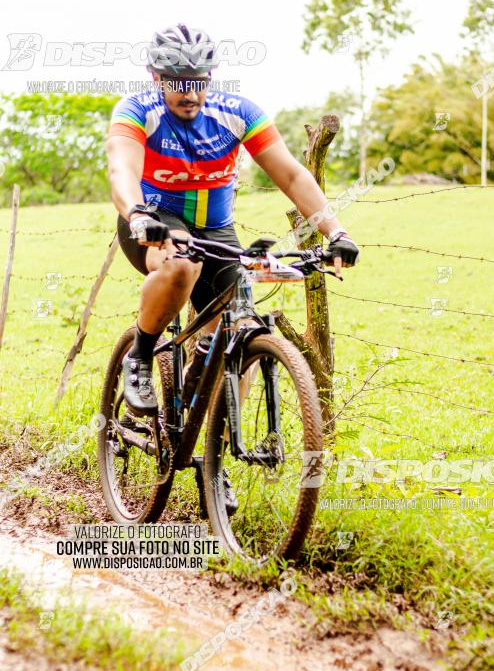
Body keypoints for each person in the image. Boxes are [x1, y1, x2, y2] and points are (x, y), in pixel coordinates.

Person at [107, 24, 359, 417]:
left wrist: (336, 232)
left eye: (198, 82)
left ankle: (217, 458)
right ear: (155, 77)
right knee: (181, 265)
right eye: (177, 82)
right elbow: (122, 169)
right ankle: (139, 356)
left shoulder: (238, 113)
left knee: (237, 334)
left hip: (215, 228)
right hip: (154, 217)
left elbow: (292, 176)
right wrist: (137, 213)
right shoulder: (138, 110)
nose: (189, 94)